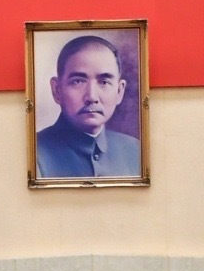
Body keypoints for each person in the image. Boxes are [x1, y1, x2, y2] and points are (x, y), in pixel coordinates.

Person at [34, 35, 141, 179]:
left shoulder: (135, 150)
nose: (91, 97)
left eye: (104, 82)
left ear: (119, 91)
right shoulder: (35, 153)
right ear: (57, 90)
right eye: (78, 81)